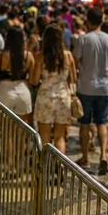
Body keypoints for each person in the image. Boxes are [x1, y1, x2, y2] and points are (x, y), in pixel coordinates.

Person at [73, 7, 108, 175]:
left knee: (85, 124)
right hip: (104, 87)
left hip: (86, 86)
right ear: (102, 21)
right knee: (102, 123)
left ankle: (85, 158)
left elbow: (75, 61)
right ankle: (104, 156)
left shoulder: (83, 40)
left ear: (88, 21)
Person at [31, 25, 76, 153]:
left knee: (44, 137)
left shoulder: (41, 56)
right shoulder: (68, 55)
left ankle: (46, 169)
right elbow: (73, 79)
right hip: (63, 97)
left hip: (45, 96)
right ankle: (59, 167)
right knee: (60, 137)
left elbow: (34, 80)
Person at [0, 27, 34, 123]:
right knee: (22, 130)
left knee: (5, 129)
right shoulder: (28, 56)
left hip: (5, 90)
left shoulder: (0, 55)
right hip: (23, 91)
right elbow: (32, 80)